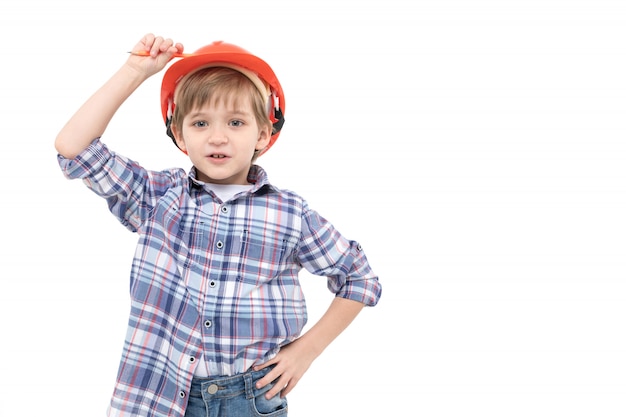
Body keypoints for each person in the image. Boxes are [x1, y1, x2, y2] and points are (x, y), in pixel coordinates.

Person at [55, 33, 382, 417]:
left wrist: (306, 352)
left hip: (248, 397)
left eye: (236, 122)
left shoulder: (290, 213)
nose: (218, 137)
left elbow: (360, 279)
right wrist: (134, 71)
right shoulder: (159, 196)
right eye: (200, 123)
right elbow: (73, 147)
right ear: (179, 134)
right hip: (155, 394)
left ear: (263, 134)